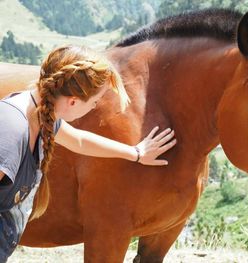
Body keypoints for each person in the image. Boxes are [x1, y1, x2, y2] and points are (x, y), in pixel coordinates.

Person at [0, 45, 176, 262]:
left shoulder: (41, 114)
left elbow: (79, 141)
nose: (93, 108)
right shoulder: (13, 130)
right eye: (93, 103)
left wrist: (136, 153)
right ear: (73, 101)